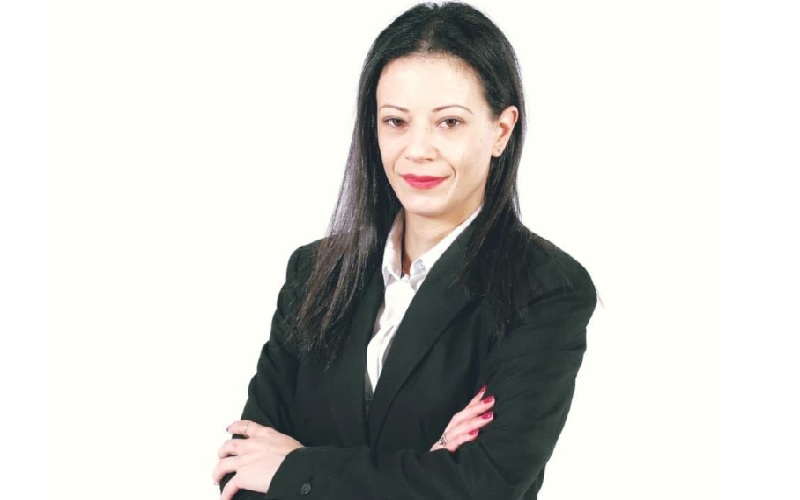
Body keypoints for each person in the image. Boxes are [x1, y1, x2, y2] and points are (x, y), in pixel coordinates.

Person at [212, 2, 596, 499]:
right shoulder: (314, 272)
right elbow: (240, 471)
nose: (417, 150)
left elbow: (482, 488)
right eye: (395, 121)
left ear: (501, 131)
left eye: (449, 123)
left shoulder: (545, 289)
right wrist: (423, 469)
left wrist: (295, 468)